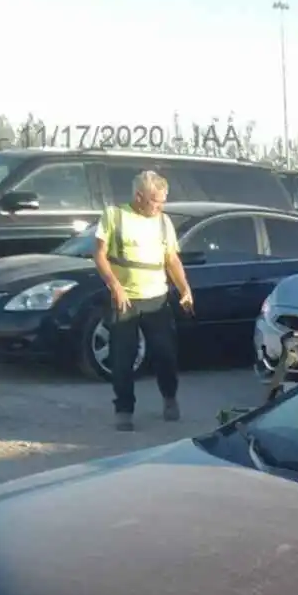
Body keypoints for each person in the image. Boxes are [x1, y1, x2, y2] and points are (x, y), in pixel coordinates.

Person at [93, 171, 194, 431]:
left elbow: (171, 259)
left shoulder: (164, 222)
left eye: (162, 202)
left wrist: (184, 289)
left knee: (165, 353)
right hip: (125, 299)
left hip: (156, 298)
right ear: (139, 197)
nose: (159, 207)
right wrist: (115, 286)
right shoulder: (114, 216)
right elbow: (100, 255)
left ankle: (169, 397)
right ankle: (124, 410)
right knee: (122, 357)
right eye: (155, 201)